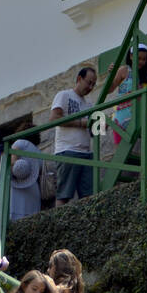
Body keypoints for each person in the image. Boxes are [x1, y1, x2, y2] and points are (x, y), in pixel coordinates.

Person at [50, 66, 97, 205]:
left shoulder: (89, 104)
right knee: (64, 194)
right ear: (79, 79)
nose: (90, 87)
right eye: (89, 82)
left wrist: (99, 126)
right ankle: (58, 225)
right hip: (67, 150)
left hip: (86, 153)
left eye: (94, 84)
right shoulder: (64, 95)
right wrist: (82, 123)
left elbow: (92, 132)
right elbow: (54, 118)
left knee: (89, 196)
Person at [105, 45, 147, 151]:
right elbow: (109, 89)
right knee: (120, 149)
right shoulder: (124, 70)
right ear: (131, 56)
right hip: (122, 114)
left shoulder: (145, 75)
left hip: (138, 114)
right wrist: (110, 75)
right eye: (138, 58)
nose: (141, 61)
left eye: (144, 59)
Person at [9, 138, 42, 220]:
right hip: (33, 185)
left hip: (17, 186)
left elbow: (12, 161)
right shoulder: (38, 151)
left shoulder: (20, 143)